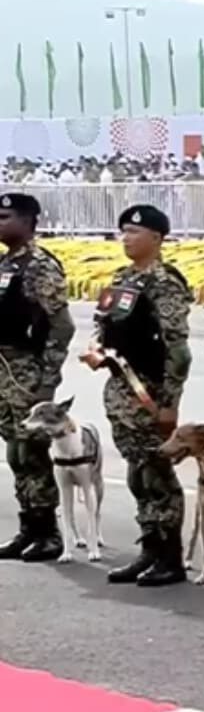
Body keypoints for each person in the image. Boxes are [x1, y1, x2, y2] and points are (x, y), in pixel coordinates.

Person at [88, 205, 191, 586]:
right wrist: (97, 349)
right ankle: (149, 549)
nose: (127, 238)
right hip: (121, 391)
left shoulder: (165, 283)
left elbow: (177, 348)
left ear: (157, 238)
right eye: (123, 231)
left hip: (150, 390)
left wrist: (170, 403)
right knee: (137, 473)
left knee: (157, 473)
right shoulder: (122, 277)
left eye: (135, 231)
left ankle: (169, 555)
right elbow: (104, 325)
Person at [0, 193, 75, 562]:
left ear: (29, 221)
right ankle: (28, 527)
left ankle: (48, 533)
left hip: (26, 371)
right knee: (16, 452)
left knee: (31, 452)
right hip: (4, 369)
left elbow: (61, 325)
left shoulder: (39, 266)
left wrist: (48, 380)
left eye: (6, 216)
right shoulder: (7, 264)